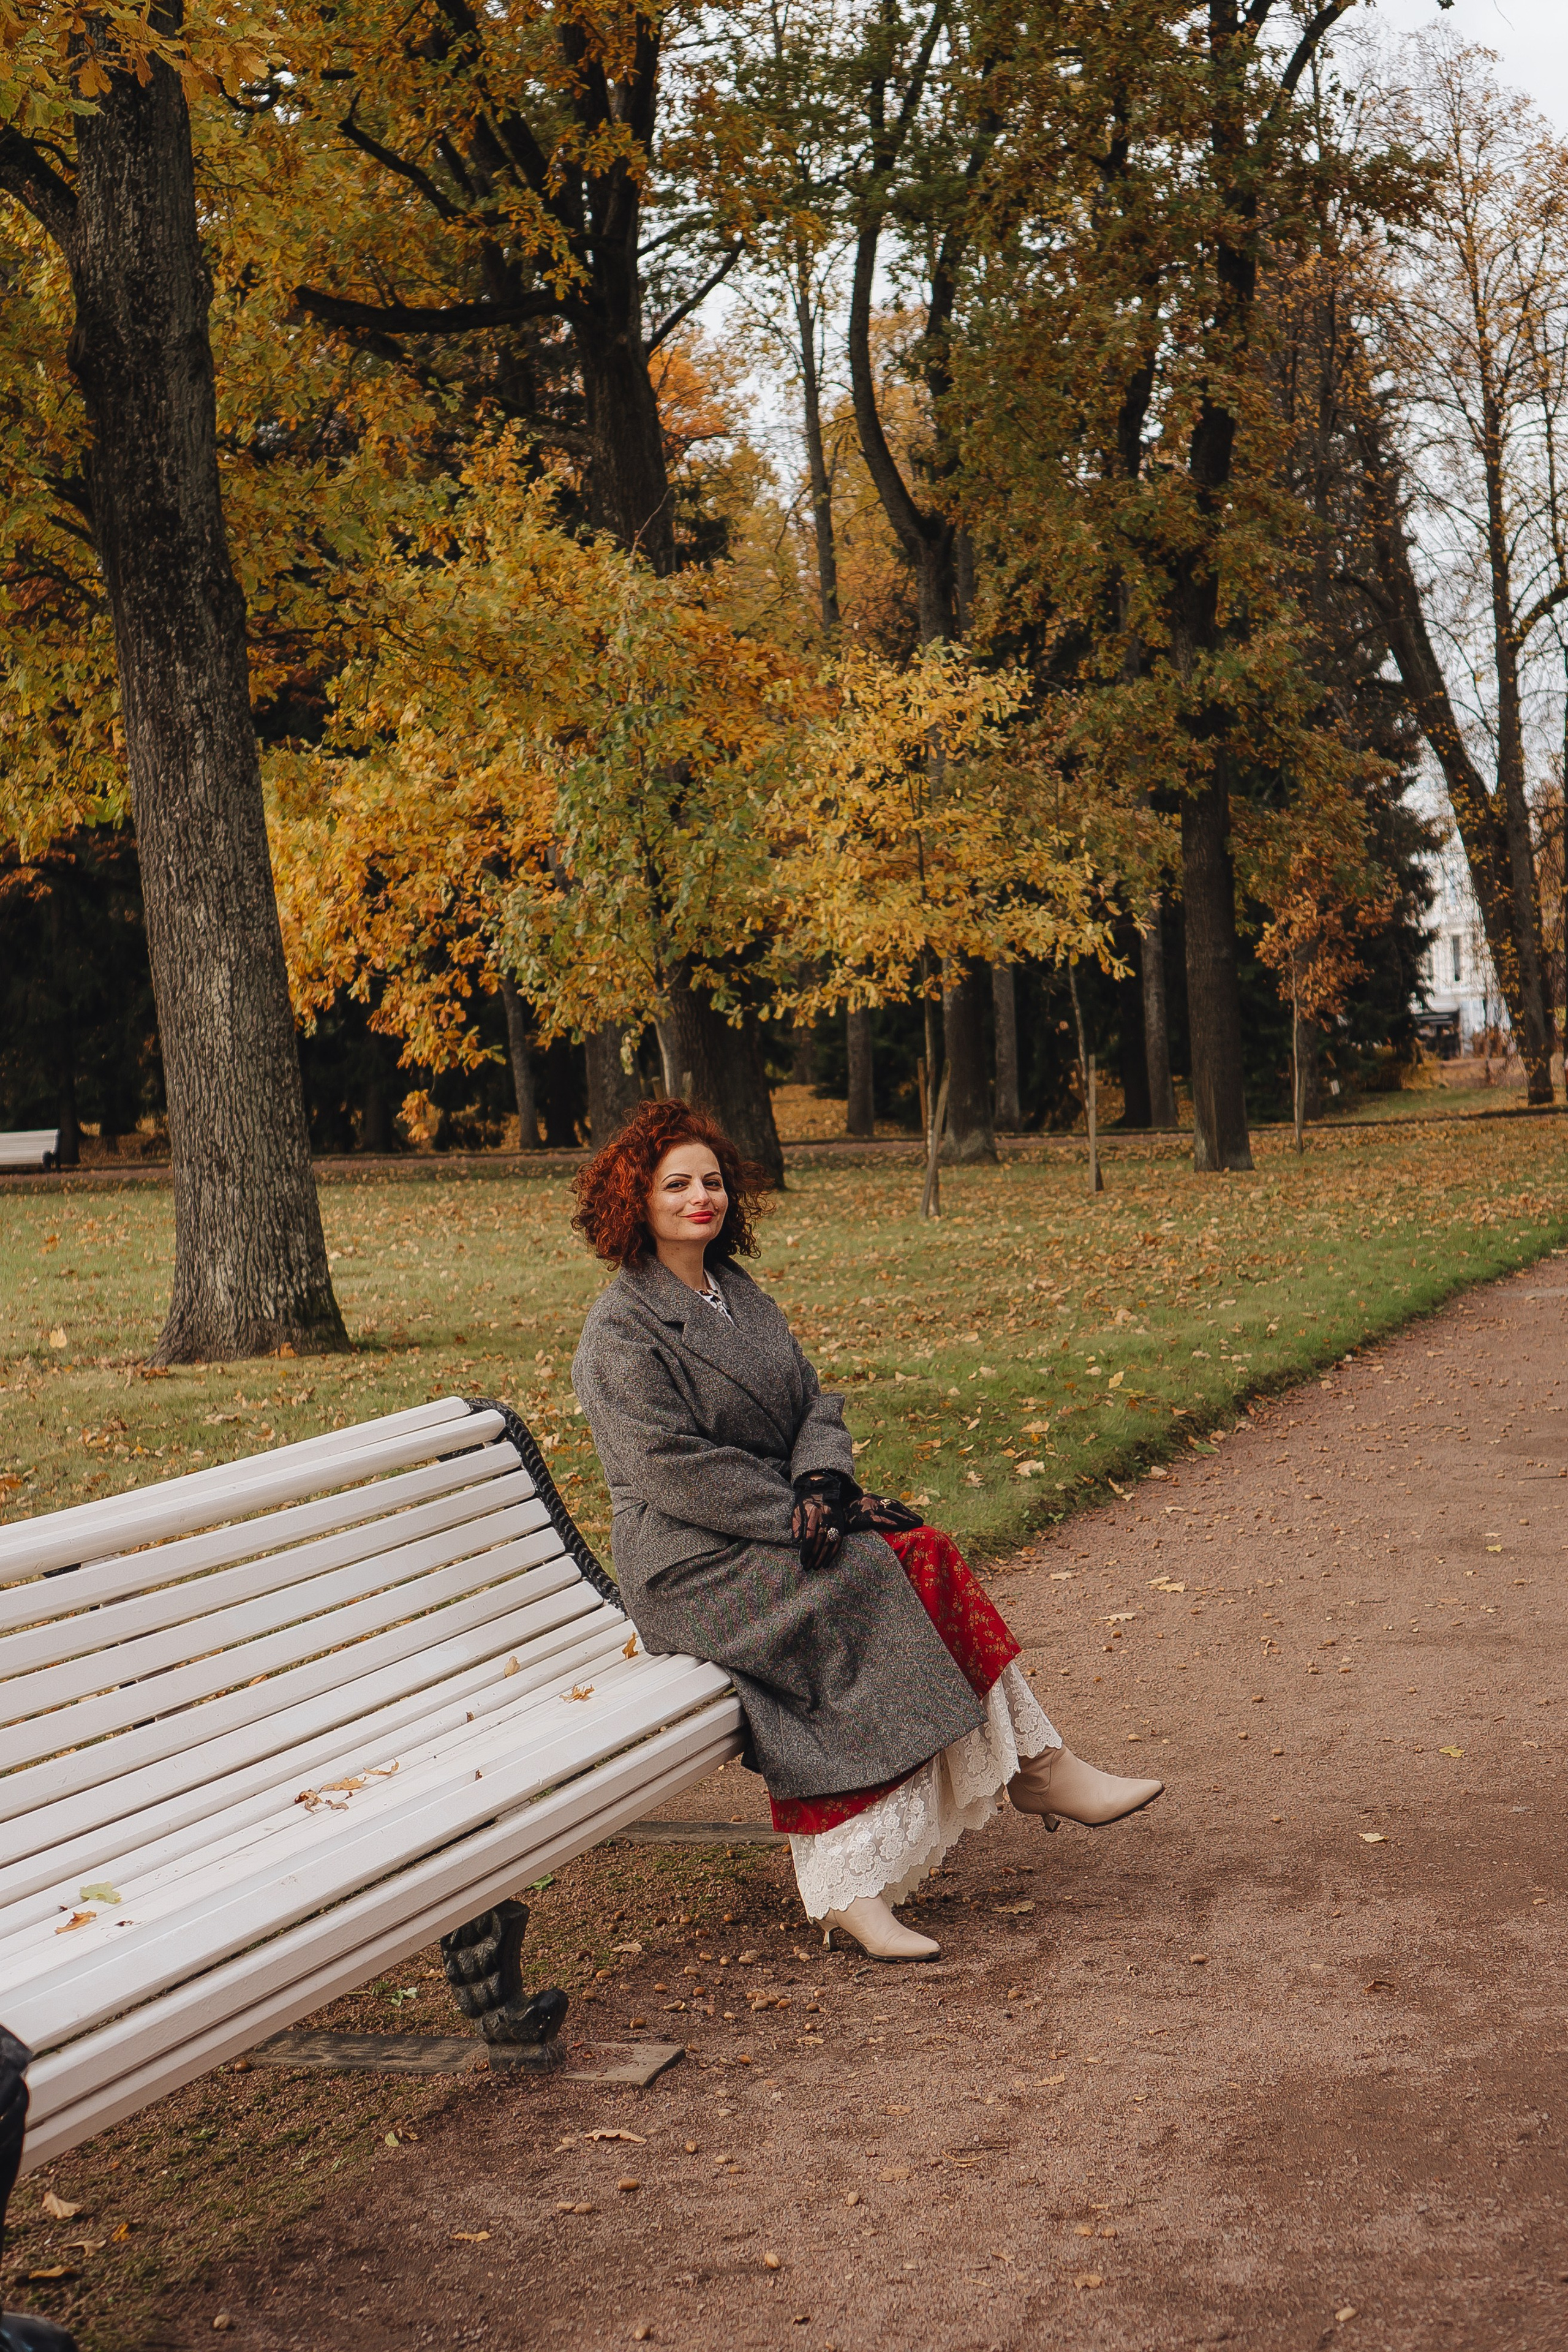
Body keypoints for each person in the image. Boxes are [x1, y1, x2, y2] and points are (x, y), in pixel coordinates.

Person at [570, 1099, 1162, 1963]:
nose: (702, 1197)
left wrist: (823, 1481)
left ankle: (1038, 1767)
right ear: (636, 1199)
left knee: (921, 1551)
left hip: (775, 1525)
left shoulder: (737, 1295)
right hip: (690, 1564)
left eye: (712, 1181)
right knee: (871, 1576)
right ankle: (852, 1883)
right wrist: (813, 1513)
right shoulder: (619, 1331)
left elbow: (817, 1403)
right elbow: (671, 1471)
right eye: (677, 1184)